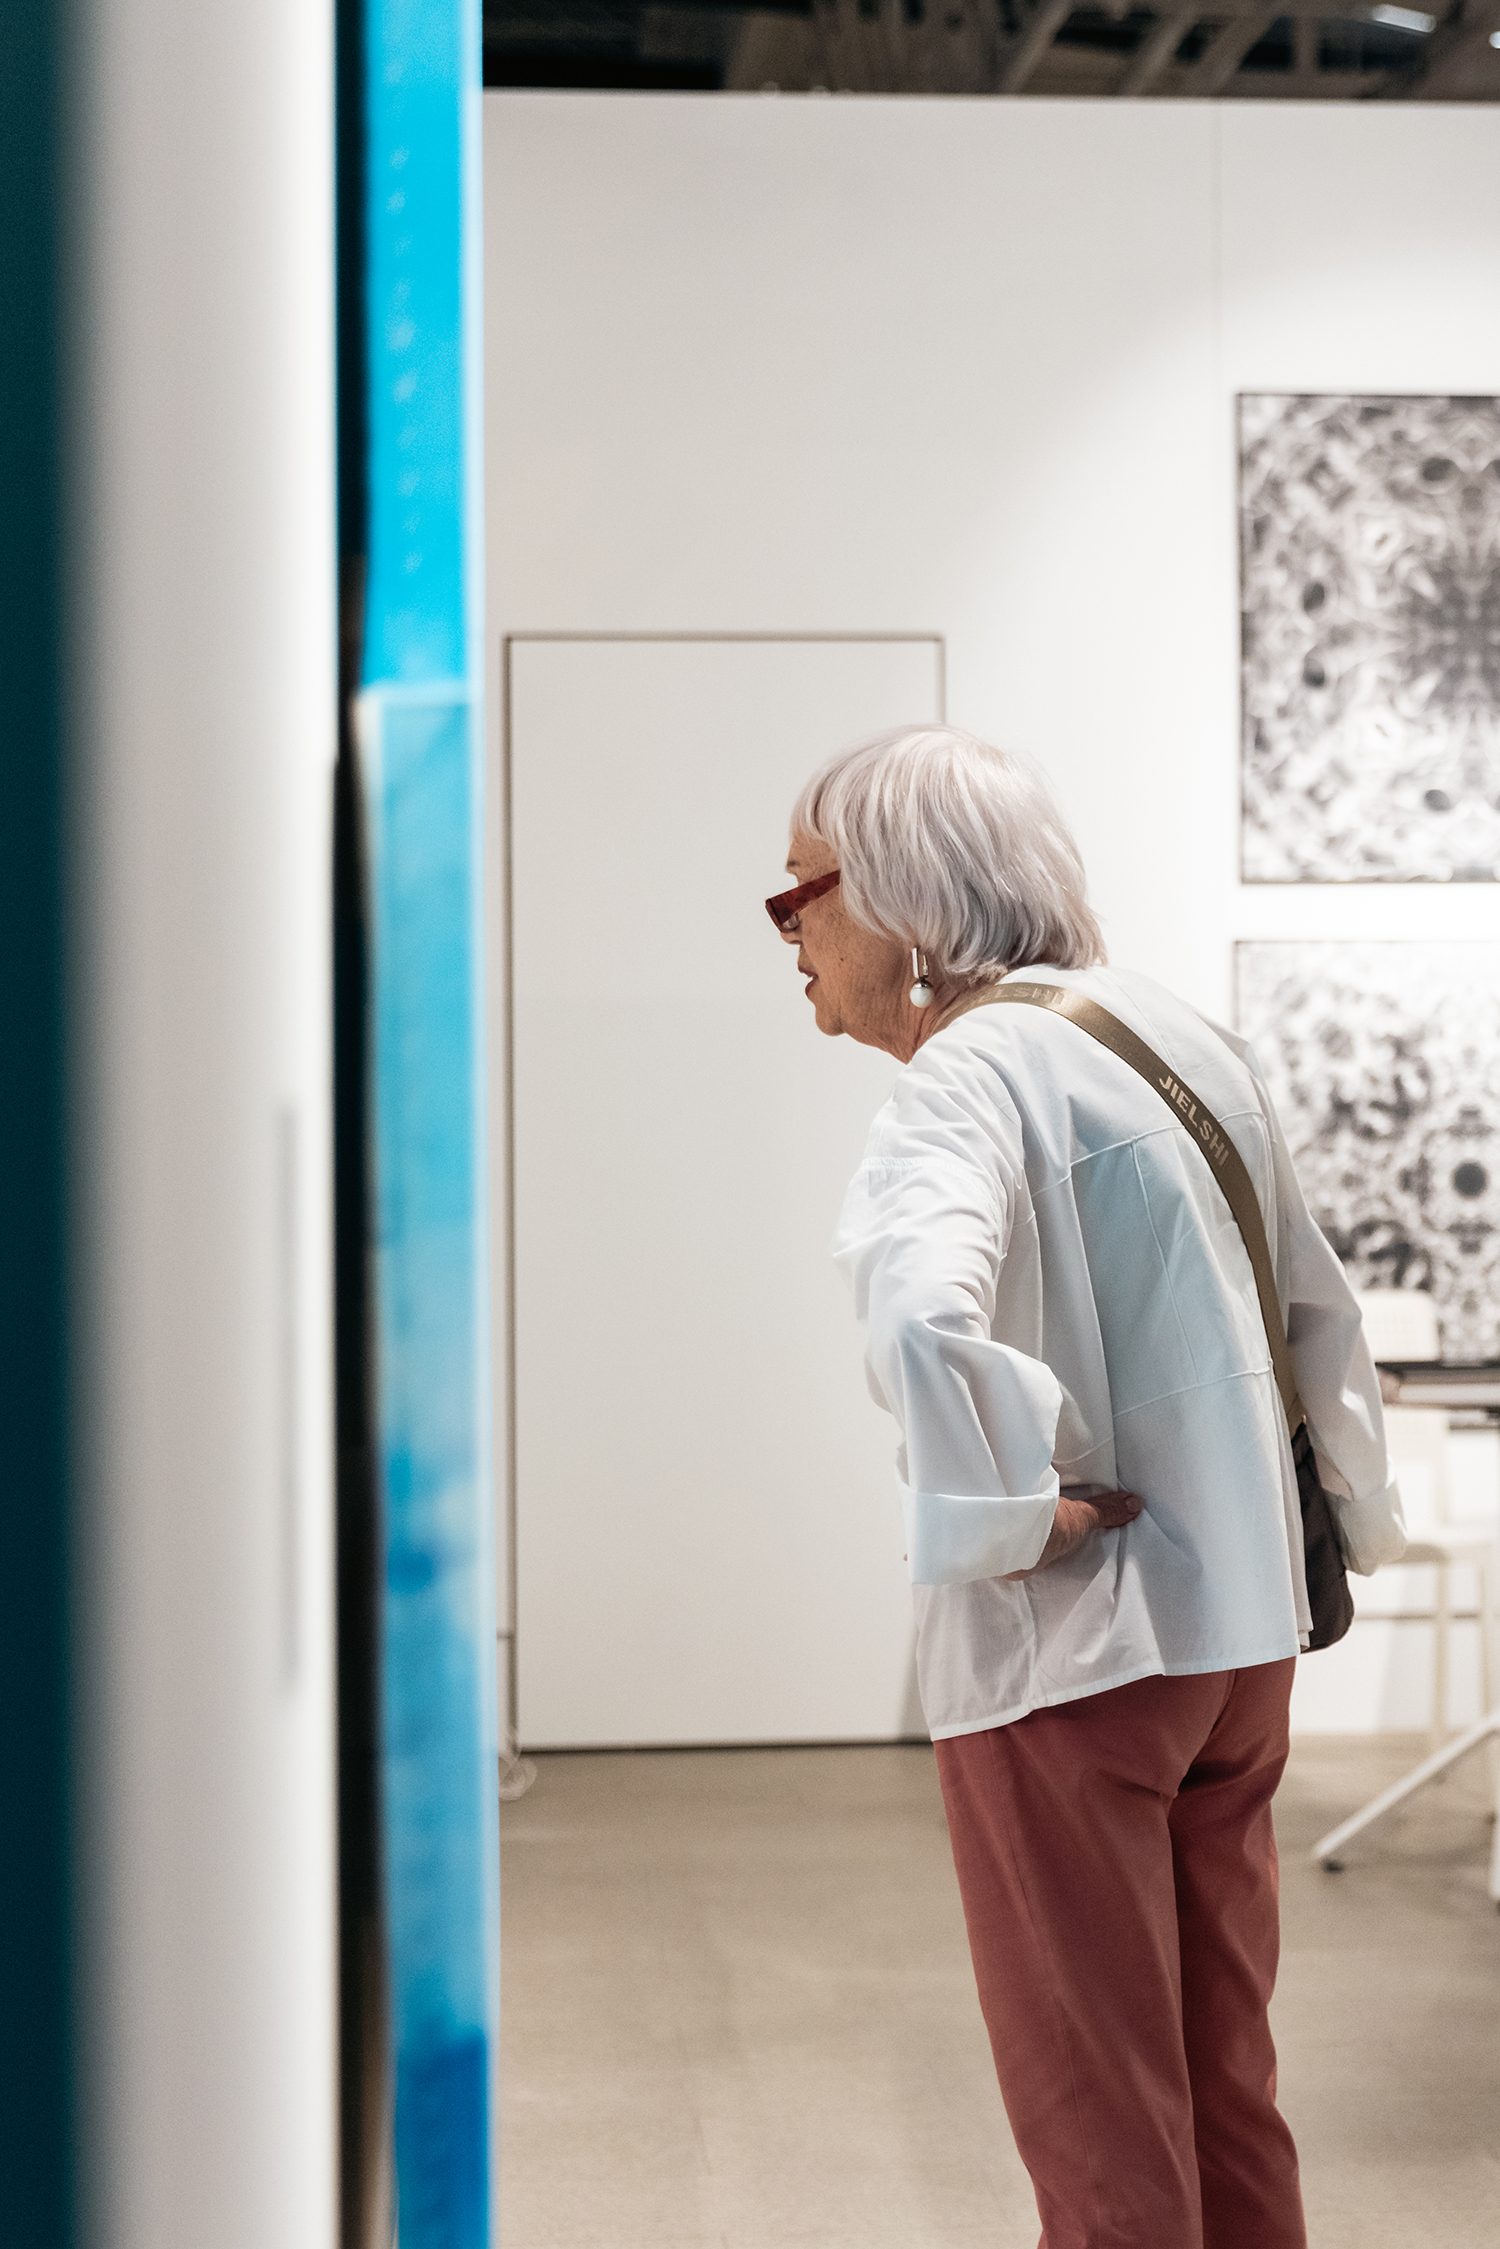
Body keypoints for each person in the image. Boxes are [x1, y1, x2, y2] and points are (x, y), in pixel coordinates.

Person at [766, 726, 1405, 2249]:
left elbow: (919, 1311)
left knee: (1100, 2116)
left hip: (1078, 1656)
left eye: (802, 892)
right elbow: (1317, 1308)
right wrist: (1341, 1514)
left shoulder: (968, 1074)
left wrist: (1003, 1509)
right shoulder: (1173, 1033)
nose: (788, 933)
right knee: (1226, 2084)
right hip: (1241, 1640)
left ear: (904, 896)